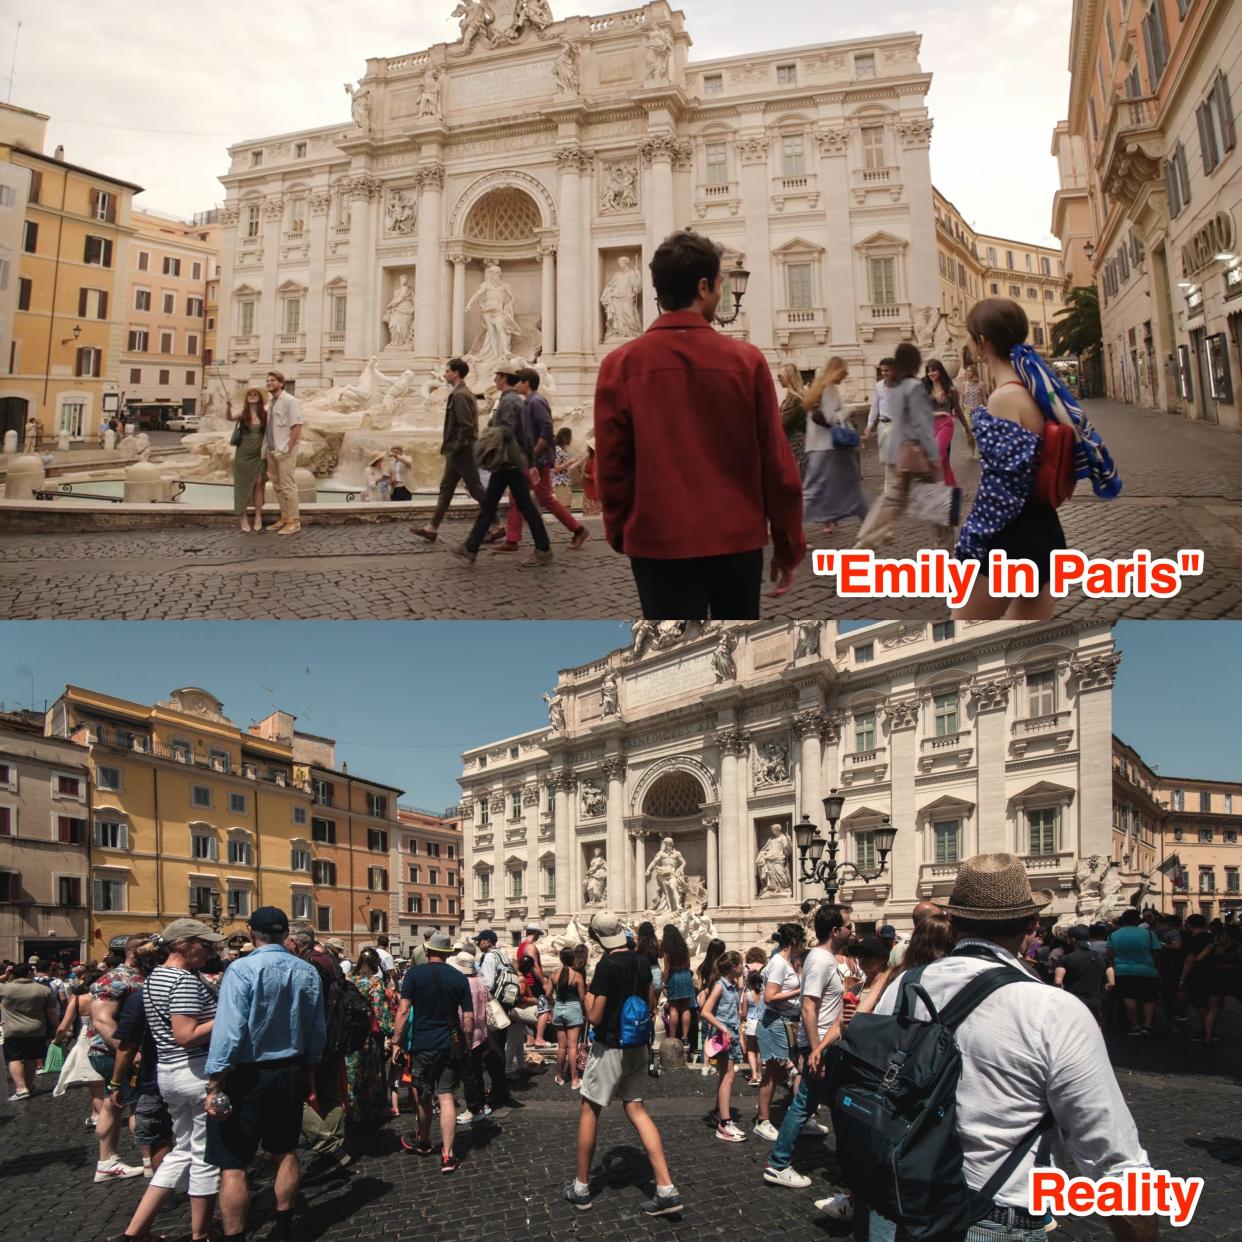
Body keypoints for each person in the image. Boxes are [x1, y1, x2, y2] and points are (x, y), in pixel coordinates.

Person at [868, 854, 1155, 1242]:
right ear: (1033, 925)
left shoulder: (903, 987)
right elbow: (1114, 1160)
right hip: (998, 1218)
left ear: (951, 922)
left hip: (912, 1205)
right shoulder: (1054, 1010)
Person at [593, 229, 805, 619]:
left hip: (656, 543)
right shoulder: (747, 361)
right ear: (704, 286)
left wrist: (620, 529)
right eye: (721, 283)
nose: (722, 293)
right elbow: (777, 464)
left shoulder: (618, 365)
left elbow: (611, 464)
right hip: (735, 541)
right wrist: (788, 543)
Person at [955, 297, 1120, 621]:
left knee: (966, 625)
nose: (967, 341)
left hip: (1008, 539)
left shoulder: (1006, 398)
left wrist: (971, 542)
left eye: (969, 335)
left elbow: (1003, 490)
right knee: (1025, 634)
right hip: (1044, 531)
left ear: (982, 342)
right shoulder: (1035, 392)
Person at [205, 906, 325, 1242]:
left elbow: (229, 1031)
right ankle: (284, 1227)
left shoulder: (240, 970)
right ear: (286, 933)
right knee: (285, 1150)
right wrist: (311, 1070)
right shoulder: (307, 971)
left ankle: (235, 1236)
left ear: (250, 931)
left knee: (233, 1163)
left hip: (247, 1075)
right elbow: (317, 1028)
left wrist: (215, 1082)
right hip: (291, 1070)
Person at [564, 910, 682, 1216]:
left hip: (610, 1048)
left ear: (600, 938)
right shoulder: (643, 961)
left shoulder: (606, 965)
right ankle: (666, 1188)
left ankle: (580, 1187)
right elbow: (652, 1003)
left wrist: (588, 995)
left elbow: (594, 1016)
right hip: (638, 1047)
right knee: (637, 1109)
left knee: (590, 1109)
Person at [112, 919, 223, 1242]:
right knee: (204, 1155)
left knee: (180, 1151)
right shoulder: (184, 981)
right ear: (183, 945)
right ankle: (201, 1233)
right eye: (204, 943)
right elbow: (186, 1034)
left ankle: (135, 1231)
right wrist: (229, 1015)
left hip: (168, 1072)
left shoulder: (155, 977)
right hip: (195, 1071)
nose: (210, 949)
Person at [763, 905, 851, 1196]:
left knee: (833, 1103)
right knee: (803, 1104)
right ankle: (778, 1163)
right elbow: (809, 1005)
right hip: (821, 1043)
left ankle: (848, 1162)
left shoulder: (825, 960)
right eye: (849, 926)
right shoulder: (821, 960)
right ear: (835, 930)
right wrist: (814, 1050)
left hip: (827, 1041)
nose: (853, 931)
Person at [857, 342, 960, 550]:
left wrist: (932, 414)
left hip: (895, 450)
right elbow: (921, 426)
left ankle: (866, 537)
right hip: (916, 450)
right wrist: (933, 458)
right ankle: (946, 543)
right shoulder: (914, 386)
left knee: (892, 498)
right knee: (935, 498)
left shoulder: (891, 386)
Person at [452, 367, 553, 568]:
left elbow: (506, 431)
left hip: (507, 460)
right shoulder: (517, 400)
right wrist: (529, 460)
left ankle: (543, 549)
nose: (494, 380)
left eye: (496, 377)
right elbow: (526, 436)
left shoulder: (508, 401)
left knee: (506, 506)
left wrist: (486, 444)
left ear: (504, 379)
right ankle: (471, 548)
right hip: (512, 460)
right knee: (505, 506)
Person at [393, 931, 474, 1173]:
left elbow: (404, 1011)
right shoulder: (460, 978)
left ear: (427, 952)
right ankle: (448, 1155)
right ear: (448, 954)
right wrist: (467, 1044)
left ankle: (424, 1139)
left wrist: (396, 1041)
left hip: (423, 1043)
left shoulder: (414, 974)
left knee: (424, 1095)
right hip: (451, 1043)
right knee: (447, 1096)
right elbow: (468, 1018)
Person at [495, 368, 589, 553]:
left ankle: (578, 529)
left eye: (519, 382)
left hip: (537, 461)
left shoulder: (537, 402)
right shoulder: (529, 402)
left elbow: (546, 432)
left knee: (541, 498)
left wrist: (532, 457)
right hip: (532, 460)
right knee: (520, 496)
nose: (516, 385)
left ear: (527, 383)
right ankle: (512, 540)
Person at [108, 940, 173, 1191]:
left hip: (154, 1076)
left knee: (158, 1137)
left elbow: (127, 1046)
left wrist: (116, 1082)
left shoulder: (141, 997)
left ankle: (163, 1190)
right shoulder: (199, 988)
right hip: (193, 1075)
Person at [286, 927, 350, 1165]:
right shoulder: (331, 960)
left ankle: (328, 1144)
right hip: (335, 1034)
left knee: (295, 1096)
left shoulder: (307, 965)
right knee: (330, 1091)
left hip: (315, 1036)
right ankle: (337, 1141)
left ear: (295, 943)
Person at [89, 936, 148, 1181]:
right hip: (115, 1052)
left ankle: (107, 1161)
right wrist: (129, 1053)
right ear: (133, 951)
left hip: (117, 1052)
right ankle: (150, 1160)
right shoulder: (115, 978)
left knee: (112, 1104)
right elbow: (102, 1020)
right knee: (140, 1105)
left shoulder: (143, 975)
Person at [414, 358, 491, 543]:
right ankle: (432, 527)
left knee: (475, 488)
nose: (444, 374)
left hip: (461, 450)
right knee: (447, 489)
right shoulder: (462, 393)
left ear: (456, 373)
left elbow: (466, 425)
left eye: (447, 371)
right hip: (458, 449)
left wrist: (455, 447)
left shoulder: (460, 395)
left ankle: (496, 524)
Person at [801, 355, 867, 535]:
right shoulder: (829, 389)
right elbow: (831, 419)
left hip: (815, 446)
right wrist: (847, 411)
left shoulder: (816, 388)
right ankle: (870, 526)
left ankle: (869, 526)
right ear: (837, 370)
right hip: (830, 447)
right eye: (843, 372)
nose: (844, 377)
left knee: (813, 490)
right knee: (846, 486)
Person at [754, 922, 804, 1141]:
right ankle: (762, 1120)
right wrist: (799, 991)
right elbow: (770, 996)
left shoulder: (785, 962)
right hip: (775, 1023)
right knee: (773, 1073)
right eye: (802, 941)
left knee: (777, 1072)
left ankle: (770, 1118)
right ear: (794, 941)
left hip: (784, 1021)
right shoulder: (778, 964)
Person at [700, 951, 746, 1142]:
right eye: (741, 964)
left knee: (725, 1076)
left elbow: (735, 1013)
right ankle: (725, 1124)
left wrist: (739, 1036)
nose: (744, 967)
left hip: (731, 1035)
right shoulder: (720, 986)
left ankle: (719, 1113)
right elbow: (705, 1012)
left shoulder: (732, 986)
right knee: (728, 1076)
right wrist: (724, 1028)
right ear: (734, 967)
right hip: (723, 1036)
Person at [346, 948, 396, 1123]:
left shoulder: (348, 980)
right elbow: (381, 1011)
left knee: (352, 1073)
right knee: (371, 1073)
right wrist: (392, 1031)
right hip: (368, 1036)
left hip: (350, 1034)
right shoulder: (375, 983)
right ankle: (371, 1110)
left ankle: (353, 1109)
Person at [0, 961, 56, 1101]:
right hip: (36, 1028)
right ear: (30, 973)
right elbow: (51, 1012)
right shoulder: (43, 989)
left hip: (12, 1029)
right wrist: (58, 1027)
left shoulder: (5, 988)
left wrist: (5, 976)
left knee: (14, 1058)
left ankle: (21, 1088)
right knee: (31, 1057)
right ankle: (30, 1086)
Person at [448, 949, 492, 1124]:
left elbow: (464, 1013)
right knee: (477, 1072)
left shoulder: (465, 984)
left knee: (469, 1074)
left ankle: (474, 1109)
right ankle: (482, 1105)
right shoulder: (480, 981)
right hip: (481, 1032)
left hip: (469, 1033)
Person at [473, 930, 515, 1109]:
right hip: (504, 1006)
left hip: (494, 1007)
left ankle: (498, 1091)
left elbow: (488, 984)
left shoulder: (490, 957)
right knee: (499, 1046)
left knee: (493, 1049)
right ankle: (501, 1089)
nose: (477, 944)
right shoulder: (503, 955)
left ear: (488, 941)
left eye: (479, 941)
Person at [1108, 908, 1163, 1036]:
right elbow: (1156, 953)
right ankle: (1147, 1025)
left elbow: (1111, 955)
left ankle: (1135, 1025)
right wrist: (1159, 969)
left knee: (1129, 997)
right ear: (1137, 920)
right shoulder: (1148, 934)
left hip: (1123, 970)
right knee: (1149, 998)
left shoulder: (1114, 935)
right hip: (1148, 970)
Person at [263, 370, 304, 537]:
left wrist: (289, 447)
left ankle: (295, 521)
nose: (269, 383)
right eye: (267, 381)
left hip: (284, 449)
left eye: (272, 380)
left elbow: (297, 425)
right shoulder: (271, 402)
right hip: (272, 449)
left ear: (281, 383)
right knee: (278, 486)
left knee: (288, 486)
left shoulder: (290, 400)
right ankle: (285, 518)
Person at [924, 358, 974, 487]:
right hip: (930, 426)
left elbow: (958, 410)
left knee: (936, 455)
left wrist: (967, 429)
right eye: (928, 371)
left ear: (939, 371)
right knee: (944, 460)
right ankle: (951, 488)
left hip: (946, 425)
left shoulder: (951, 390)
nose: (931, 374)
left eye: (933, 370)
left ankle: (931, 488)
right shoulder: (925, 389)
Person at [227, 387, 268, 533]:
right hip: (243, 454)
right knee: (242, 485)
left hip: (259, 455)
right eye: (250, 395)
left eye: (255, 394)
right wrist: (228, 406)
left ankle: (258, 516)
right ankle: (243, 517)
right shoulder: (242, 414)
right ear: (246, 398)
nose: (252, 396)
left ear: (260, 398)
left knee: (258, 484)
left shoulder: (265, 414)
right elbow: (230, 417)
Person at [1055, 924, 1114, 1025]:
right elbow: (1111, 983)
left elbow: (1058, 982)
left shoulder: (1066, 959)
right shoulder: (1103, 958)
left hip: (1074, 1003)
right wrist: (1101, 994)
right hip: (1095, 1003)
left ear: (1072, 940)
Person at [547, 947, 586, 1089]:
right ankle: (575, 1080)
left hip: (559, 1009)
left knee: (561, 1046)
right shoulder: (577, 976)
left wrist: (554, 1004)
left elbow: (547, 994)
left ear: (560, 958)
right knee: (572, 1046)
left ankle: (559, 1076)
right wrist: (585, 1012)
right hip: (573, 1009)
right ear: (573, 959)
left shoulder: (554, 974)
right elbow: (582, 998)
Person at [660, 925, 694, 1049]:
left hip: (674, 976)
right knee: (685, 1008)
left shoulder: (668, 949)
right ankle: (685, 1037)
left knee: (673, 1008)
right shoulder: (684, 948)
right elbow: (689, 965)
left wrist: (665, 982)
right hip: (686, 975)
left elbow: (667, 968)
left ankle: (673, 1038)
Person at [776, 363, 808, 477]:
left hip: (797, 448)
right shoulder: (792, 398)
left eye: (781, 376)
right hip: (794, 446)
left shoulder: (795, 399)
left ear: (789, 377)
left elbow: (781, 422)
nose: (778, 379)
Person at [863, 358, 897, 457]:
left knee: (898, 459)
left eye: (887, 370)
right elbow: (875, 406)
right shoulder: (879, 386)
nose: (883, 373)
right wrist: (869, 425)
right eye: (882, 370)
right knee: (885, 459)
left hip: (897, 426)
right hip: (882, 425)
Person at [551, 426, 581, 511]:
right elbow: (555, 468)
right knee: (564, 507)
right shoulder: (558, 450)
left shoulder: (563, 449)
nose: (571, 439)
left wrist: (577, 461)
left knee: (567, 505)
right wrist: (570, 462)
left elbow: (566, 468)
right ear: (564, 437)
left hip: (565, 482)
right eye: (570, 436)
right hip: (560, 483)